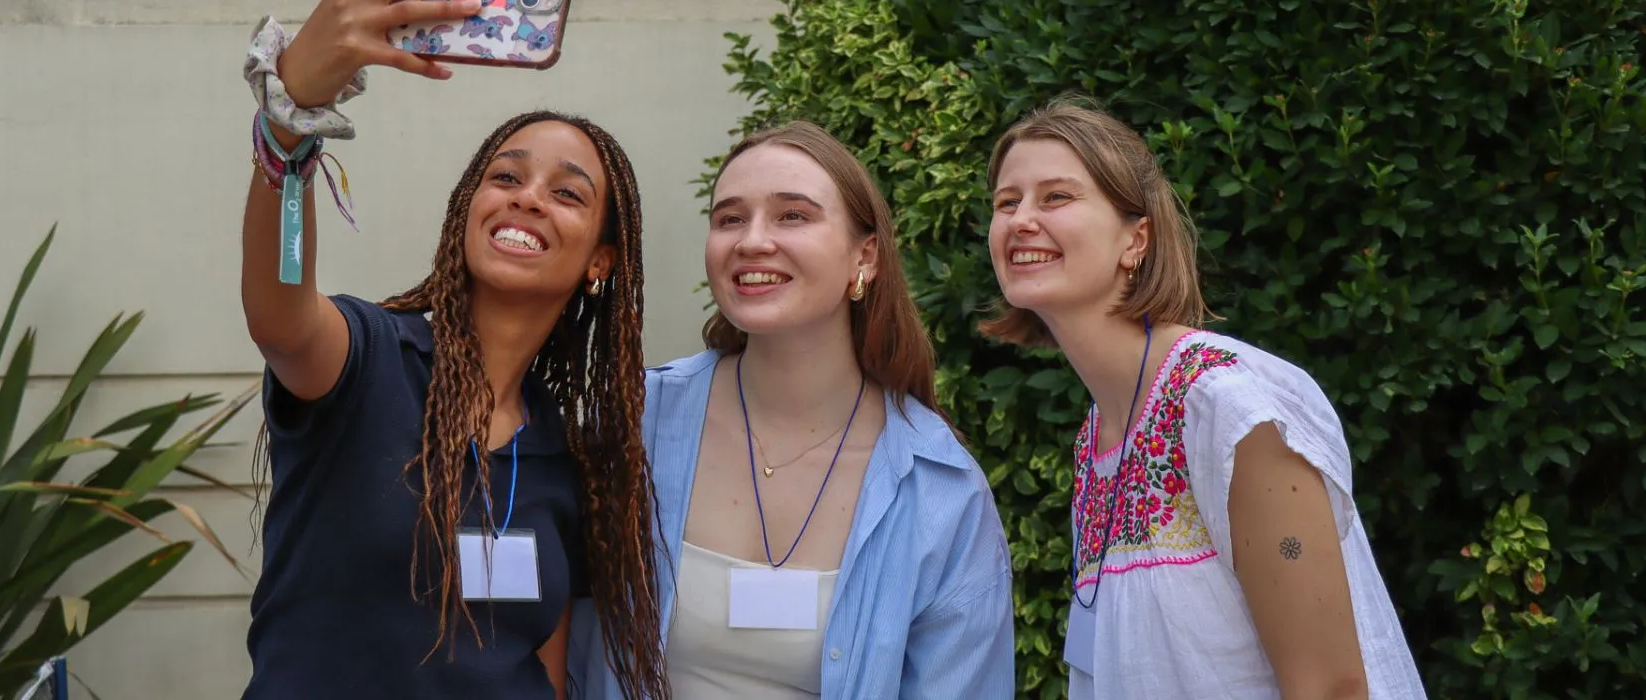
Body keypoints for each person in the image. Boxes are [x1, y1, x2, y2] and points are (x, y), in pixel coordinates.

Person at [236, 0, 665, 699]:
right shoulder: (367, 360)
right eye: (505, 176)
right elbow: (280, 317)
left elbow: (546, 671)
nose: (528, 197)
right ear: (468, 208)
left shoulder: (564, 453)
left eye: (567, 194)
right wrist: (289, 129)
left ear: (600, 262)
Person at [979, 96, 1428, 699]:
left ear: (1136, 239)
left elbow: (1330, 687)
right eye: (1007, 202)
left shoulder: (1227, 405)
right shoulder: (1097, 438)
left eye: (1056, 196)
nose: (1022, 220)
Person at [571, 121, 1016, 699]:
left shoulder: (939, 487)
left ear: (866, 256)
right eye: (730, 218)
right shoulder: (633, 423)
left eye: (793, 216)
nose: (752, 241)